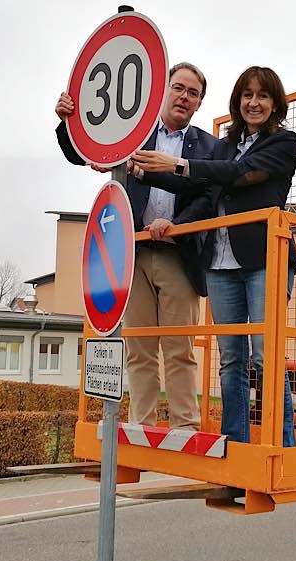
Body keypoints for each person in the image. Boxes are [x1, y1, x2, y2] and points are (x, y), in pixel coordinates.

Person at [129, 66, 296, 447]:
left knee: (264, 357)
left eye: (262, 96)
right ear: (237, 102)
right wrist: (144, 173)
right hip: (222, 264)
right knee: (232, 359)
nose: (253, 103)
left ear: (275, 104)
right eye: (246, 95)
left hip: (263, 260)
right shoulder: (223, 146)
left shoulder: (284, 143)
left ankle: (281, 448)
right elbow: (197, 180)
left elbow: (237, 173)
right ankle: (236, 446)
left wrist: (176, 163)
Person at [54, 62, 217, 430]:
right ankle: (141, 423)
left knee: (179, 348)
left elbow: (209, 195)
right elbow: (83, 153)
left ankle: (184, 426)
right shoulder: (134, 136)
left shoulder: (208, 146)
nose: (184, 97)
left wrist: (178, 224)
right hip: (133, 254)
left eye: (193, 93)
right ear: (162, 91)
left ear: (200, 102)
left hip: (179, 253)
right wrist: (67, 123)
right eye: (178, 88)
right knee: (140, 347)